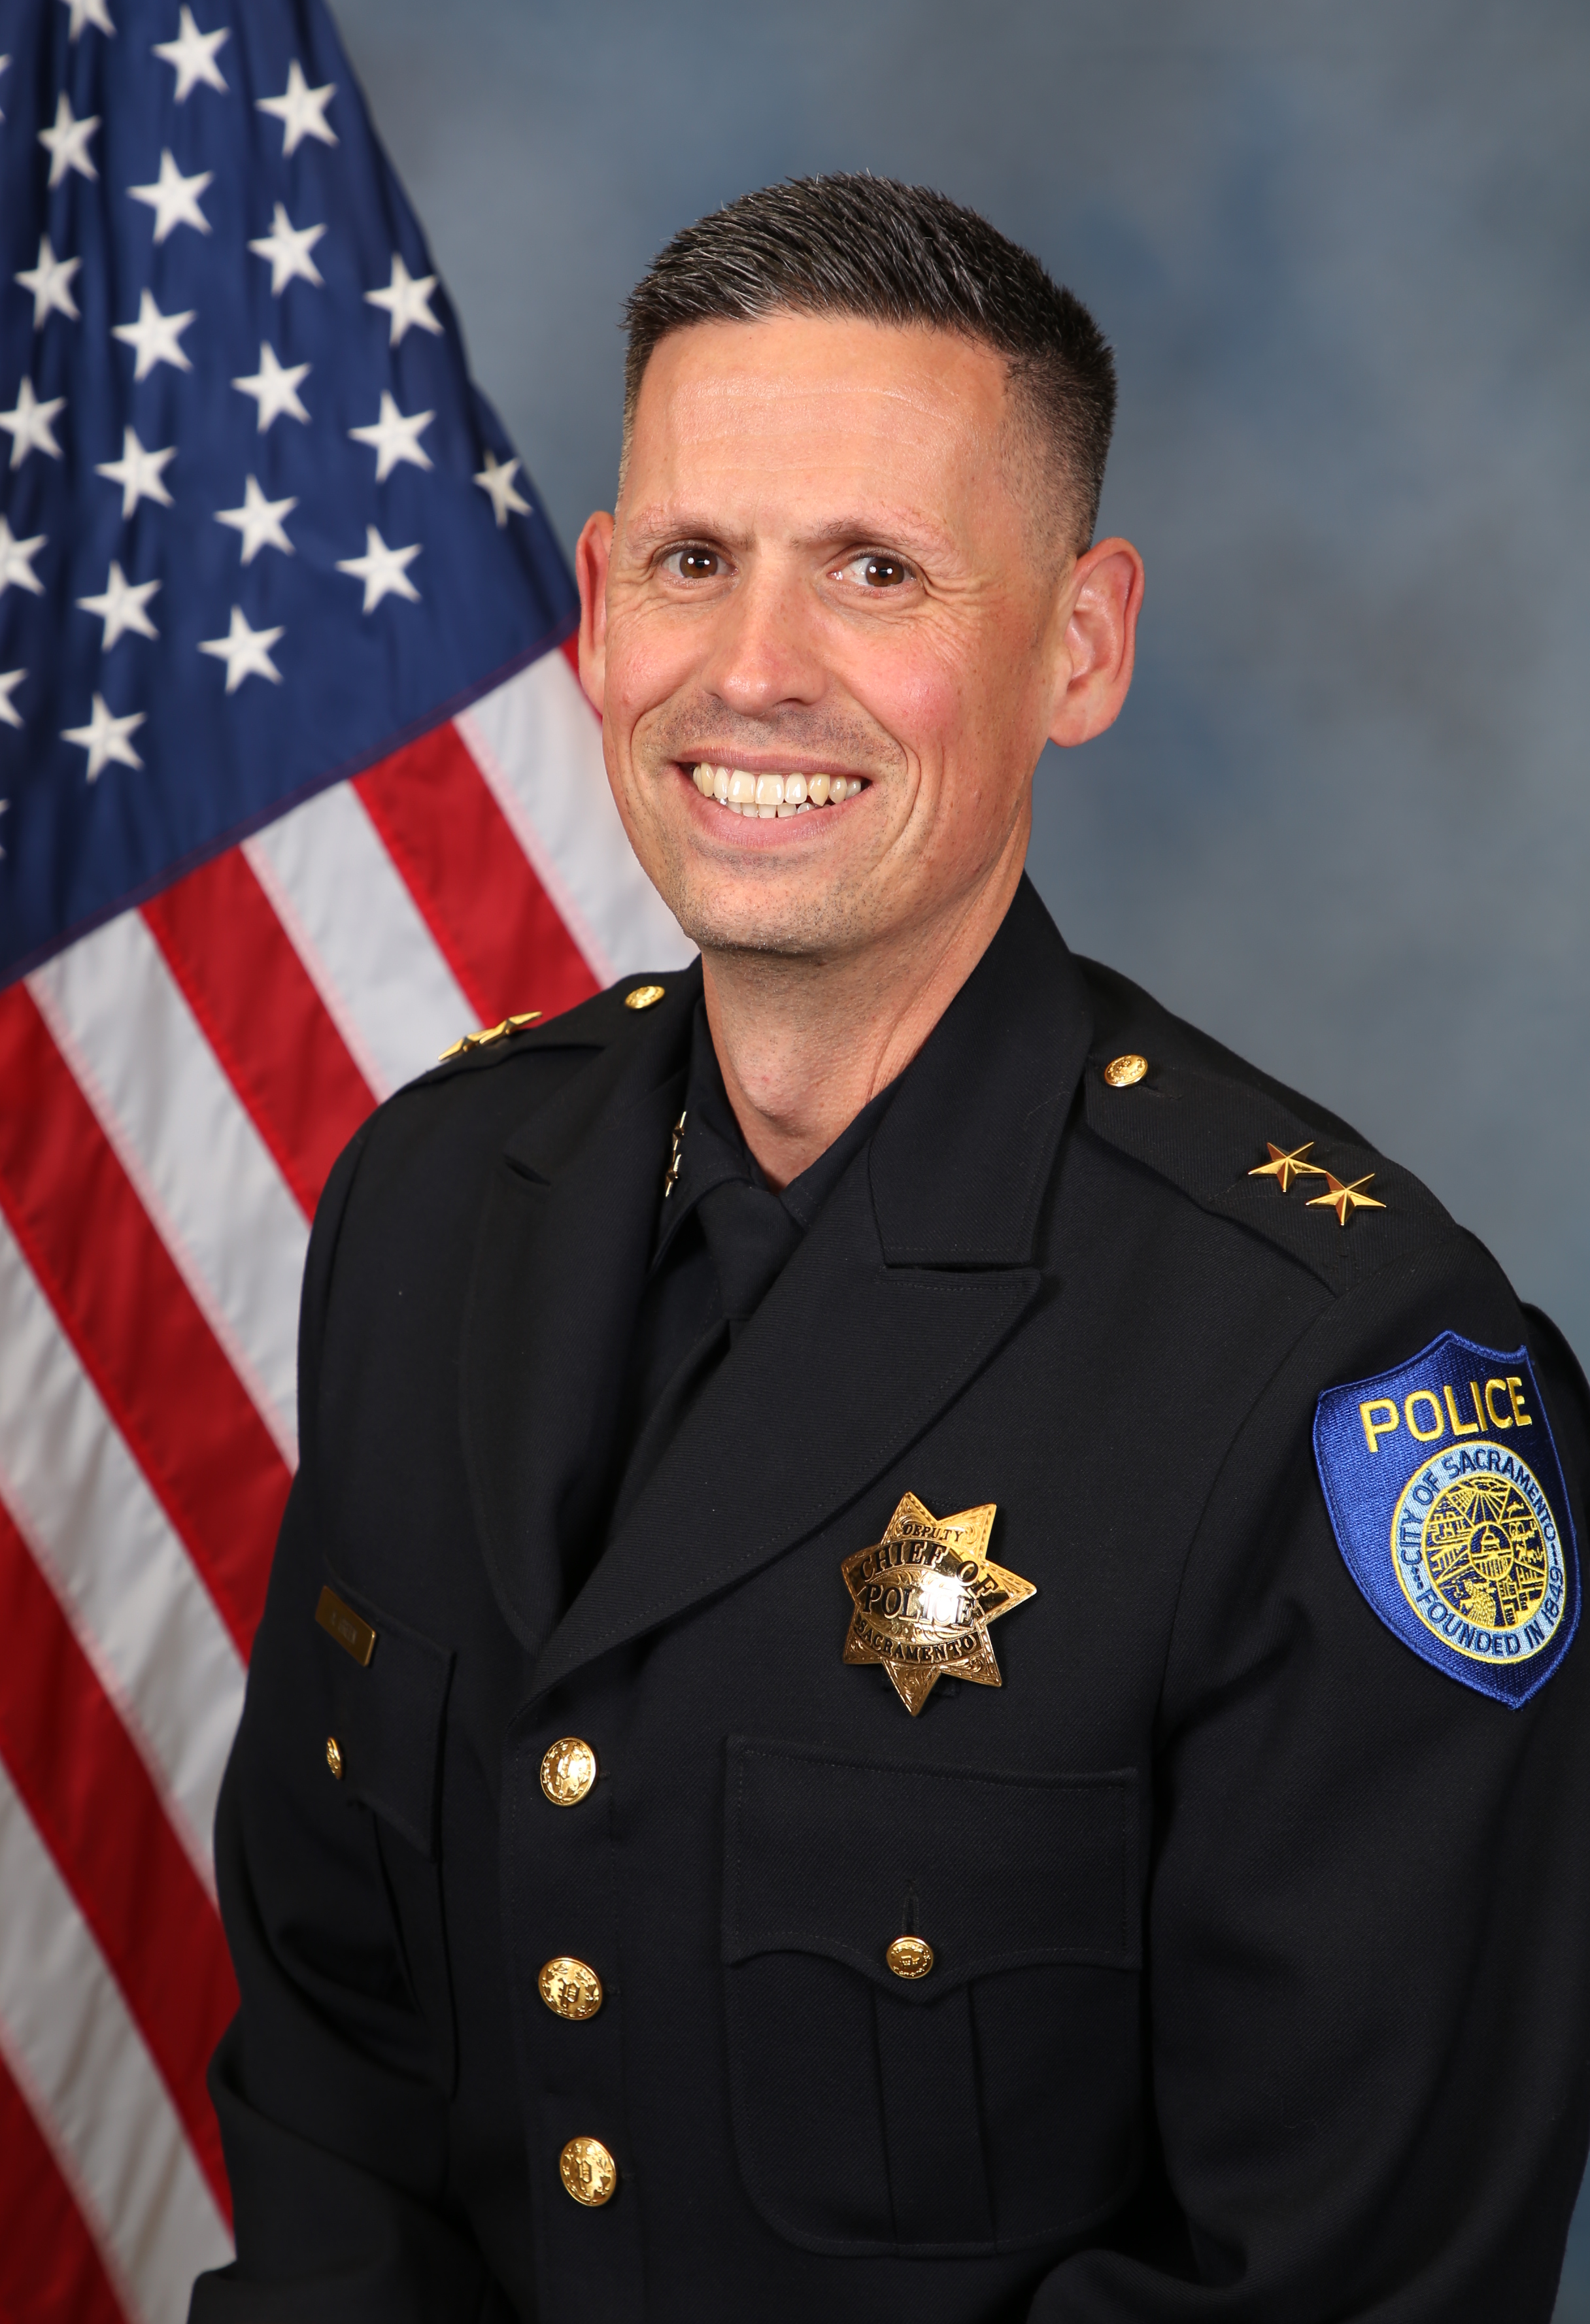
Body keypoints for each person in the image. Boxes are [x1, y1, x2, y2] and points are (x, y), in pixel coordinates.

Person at [191, 174, 1590, 2323]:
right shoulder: (433, 1205)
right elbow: (338, 2065)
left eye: (875, 571)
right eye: (691, 561)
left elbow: (1336, 2284)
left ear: (1084, 644)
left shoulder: (1336, 1369)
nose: (754, 672)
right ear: (596, 610)